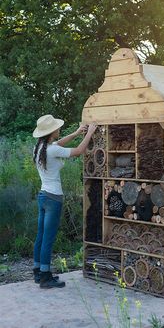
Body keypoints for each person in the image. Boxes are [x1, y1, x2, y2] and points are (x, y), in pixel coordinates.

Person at [32, 114, 97, 289]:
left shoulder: (40, 148)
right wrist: (90, 132)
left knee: (40, 236)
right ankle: (46, 277)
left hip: (43, 196)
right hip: (53, 199)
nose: (59, 129)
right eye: (57, 128)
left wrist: (77, 132)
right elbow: (77, 151)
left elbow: (59, 144)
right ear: (52, 131)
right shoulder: (51, 150)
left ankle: (38, 271)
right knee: (48, 238)